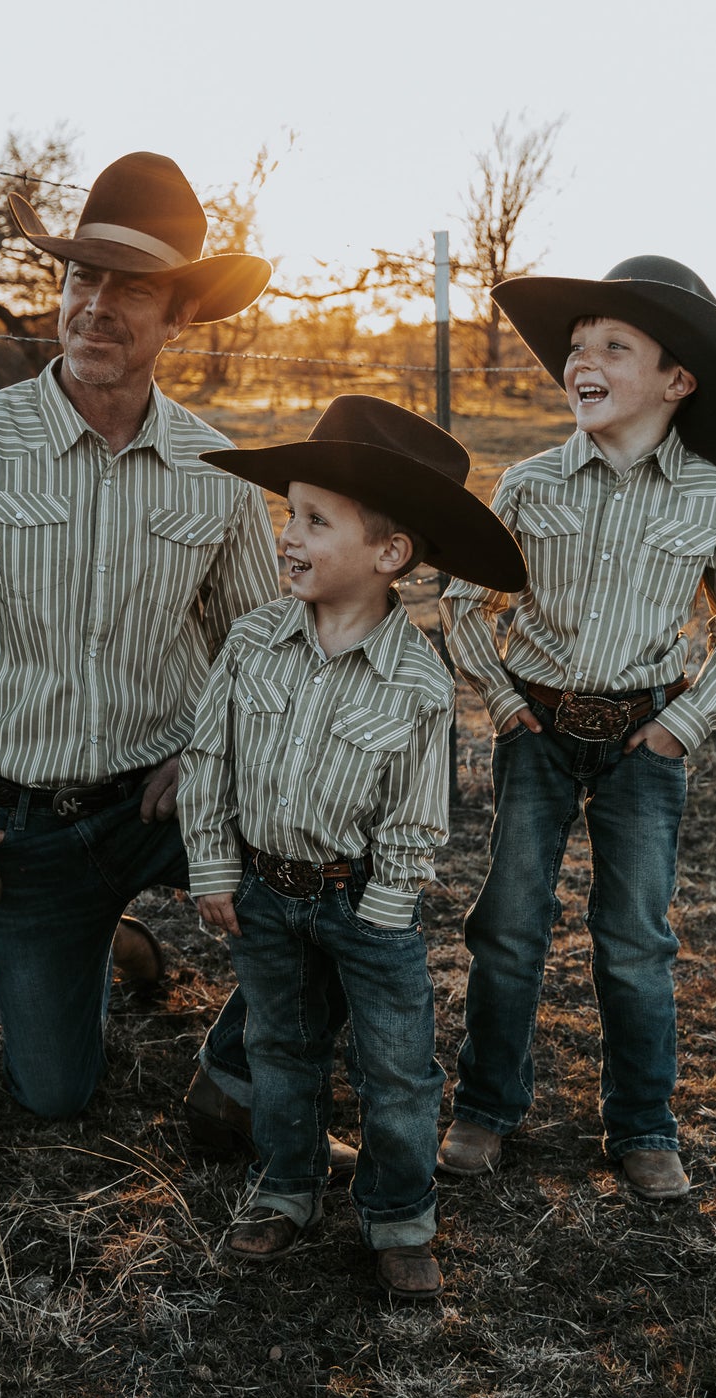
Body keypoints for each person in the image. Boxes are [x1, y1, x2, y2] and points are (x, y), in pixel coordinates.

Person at [0, 151, 292, 1122]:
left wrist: (208, 753)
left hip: (163, 799)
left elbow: (253, 642)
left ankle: (233, 1082)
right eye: (80, 277)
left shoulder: (218, 465)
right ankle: (105, 942)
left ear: (177, 316)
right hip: (22, 821)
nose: (96, 306)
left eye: (131, 287)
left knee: (335, 876)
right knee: (56, 1097)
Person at [436, 256, 716, 1201]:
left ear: (677, 380)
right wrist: (505, 707)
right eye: (576, 345)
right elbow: (462, 602)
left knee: (634, 937)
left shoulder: (713, 497)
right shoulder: (531, 482)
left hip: (645, 739)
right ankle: (482, 1108)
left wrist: (683, 724)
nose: (581, 360)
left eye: (613, 346)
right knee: (508, 924)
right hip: (537, 730)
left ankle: (640, 1124)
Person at [180, 395, 527, 1300]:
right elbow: (208, 753)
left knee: (396, 1067)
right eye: (286, 513)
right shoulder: (255, 639)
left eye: (313, 520)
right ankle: (286, 1185)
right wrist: (215, 866)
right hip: (264, 889)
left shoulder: (416, 676)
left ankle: (399, 1214)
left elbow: (417, 814)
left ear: (389, 555)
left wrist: (381, 908)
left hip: (364, 899)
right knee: (282, 1047)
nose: (287, 536)